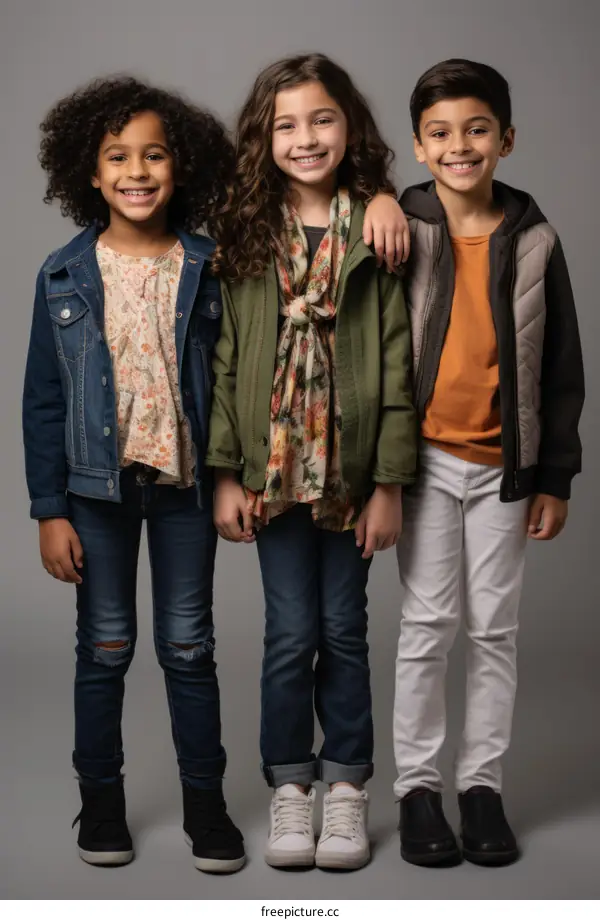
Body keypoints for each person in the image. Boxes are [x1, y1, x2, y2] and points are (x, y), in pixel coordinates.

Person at [21, 76, 246, 873]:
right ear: (89, 170)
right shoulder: (62, 274)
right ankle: (103, 804)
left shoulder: (209, 267)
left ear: (179, 167)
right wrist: (50, 509)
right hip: (95, 496)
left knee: (189, 648)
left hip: (184, 491)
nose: (137, 170)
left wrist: (230, 475)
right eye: (118, 156)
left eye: (154, 155)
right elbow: (44, 402)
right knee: (105, 648)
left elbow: (231, 383)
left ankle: (207, 807)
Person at [207, 53, 417, 871]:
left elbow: (397, 368)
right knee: (292, 636)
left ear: (349, 127)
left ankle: (348, 791)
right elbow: (227, 361)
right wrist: (228, 472)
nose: (306, 138)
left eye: (322, 119)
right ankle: (291, 789)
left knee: (347, 632)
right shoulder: (246, 231)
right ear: (264, 137)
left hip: (355, 475)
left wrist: (390, 486)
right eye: (286, 124)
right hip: (276, 475)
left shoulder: (377, 227)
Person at [394, 59, 585, 868]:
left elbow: (564, 367)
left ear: (505, 139)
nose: (459, 146)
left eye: (477, 130)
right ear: (419, 145)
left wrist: (555, 475)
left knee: (494, 630)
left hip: (508, 467)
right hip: (425, 464)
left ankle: (481, 788)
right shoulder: (401, 225)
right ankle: (417, 791)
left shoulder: (537, 239)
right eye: (440, 133)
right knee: (427, 626)